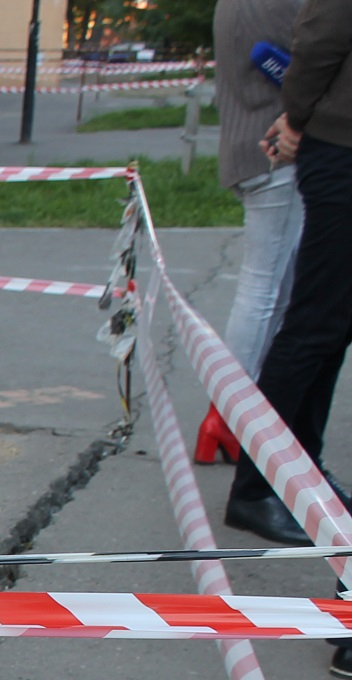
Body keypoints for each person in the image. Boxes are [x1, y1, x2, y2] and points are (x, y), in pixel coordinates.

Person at [224, 0, 352, 551]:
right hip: (339, 146)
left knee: (332, 324)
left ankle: (301, 471)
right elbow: (322, 36)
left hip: (335, 141)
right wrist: (298, 119)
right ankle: (256, 488)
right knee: (312, 324)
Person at [196, 0, 305, 464]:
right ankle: (229, 416)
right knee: (265, 290)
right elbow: (312, 69)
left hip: (244, 147)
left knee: (268, 286)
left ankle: (229, 417)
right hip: (276, 150)